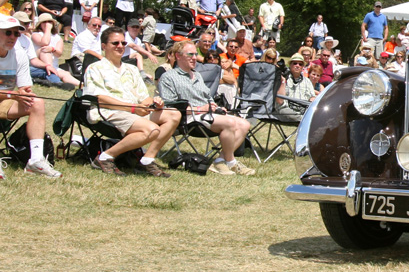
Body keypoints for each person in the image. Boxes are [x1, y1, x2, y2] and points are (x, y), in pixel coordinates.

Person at [83, 26, 180, 176]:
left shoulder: (132, 69)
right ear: (104, 46)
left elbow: (144, 98)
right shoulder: (95, 68)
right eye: (115, 43)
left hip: (134, 112)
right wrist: (133, 108)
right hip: (109, 112)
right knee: (152, 130)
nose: (120, 46)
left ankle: (146, 160)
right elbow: (101, 99)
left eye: (123, 43)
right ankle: (105, 157)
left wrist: (154, 104)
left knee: (173, 114)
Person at [158, 40, 255, 176]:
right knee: (231, 123)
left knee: (244, 124)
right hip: (189, 118)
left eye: (194, 54)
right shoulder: (168, 77)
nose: (194, 57)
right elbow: (170, 107)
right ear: (178, 56)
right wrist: (199, 108)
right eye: (190, 54)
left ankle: (220, 160)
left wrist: (214, 105)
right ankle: (231, 162)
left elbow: (207, 96)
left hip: (207, 114)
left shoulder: (196, 75)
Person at [0, 14, 63, 179]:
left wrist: (26, 94)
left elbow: (24, 88)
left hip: (4, 102)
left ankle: (35, 160)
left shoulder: (19, 54)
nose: (13, 37)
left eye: (17, 33)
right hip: (6, 98)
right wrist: (13, 94)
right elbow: (14, 93)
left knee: (37, 103)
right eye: (8, 32)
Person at [29, 13, 80, 87]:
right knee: (45, 50)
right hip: (39, 64)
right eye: (44, 22)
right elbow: (45, 42)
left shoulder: (57, 37)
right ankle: (55, 79)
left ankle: (83, 86)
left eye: (49, 22)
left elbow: (59, 53)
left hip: (54, 65)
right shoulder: (36, 34)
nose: (47, 24)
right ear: (40, 24)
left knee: (66, 74)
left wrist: (53, 49)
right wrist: (48, 29)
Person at [276, 54, 314, 122]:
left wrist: (312, 100)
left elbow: (312, 97)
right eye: (295, 63)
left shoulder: (307, 81)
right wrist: (283, 81)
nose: (297, 66)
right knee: (285, 111)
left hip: (302, 109)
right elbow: (279, 101)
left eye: (300, 64)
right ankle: (305, 121)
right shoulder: (282, 78)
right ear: (290, 65)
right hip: (285, 109)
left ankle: (304, 119)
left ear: (303, 67)